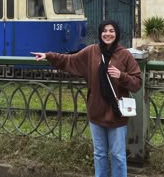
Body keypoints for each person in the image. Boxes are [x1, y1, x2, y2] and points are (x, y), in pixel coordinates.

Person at [32, 20, 142, 177]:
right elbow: (69, 60)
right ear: (100, 33)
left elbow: (137, 83)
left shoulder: (124, 55)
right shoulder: (92, 52)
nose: (108, 34)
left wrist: (121, 76)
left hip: (117, 115)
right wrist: (48, 56)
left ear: (116, 34)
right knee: (99, 154)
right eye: (104, 30)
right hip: (96, 113)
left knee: (118, 155)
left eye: (112, 31)